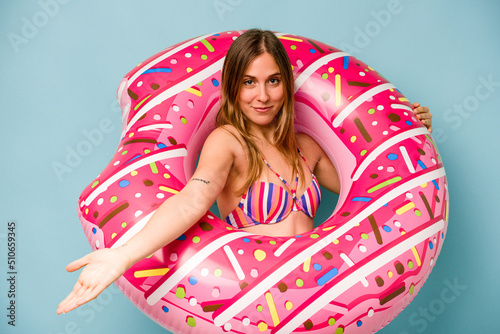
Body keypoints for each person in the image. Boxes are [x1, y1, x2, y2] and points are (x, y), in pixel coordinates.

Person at [57, 29, 432, 315]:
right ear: (233, 86)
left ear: (286, 82)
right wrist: (121, 255)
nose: (262, 96)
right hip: (257, 302)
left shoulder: (309, 148)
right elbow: (193, 199)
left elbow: (377, 188)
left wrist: (406, 133)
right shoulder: (228, 142)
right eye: (249, 82)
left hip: (316, 300)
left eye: (273, 80)